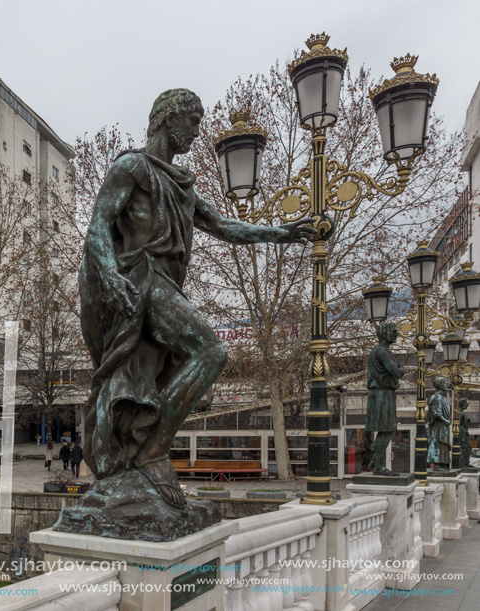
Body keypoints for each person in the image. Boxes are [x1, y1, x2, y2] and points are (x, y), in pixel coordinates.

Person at [77, 89, 315, 509]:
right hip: (139, 282)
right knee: (210, 350)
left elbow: (223, 226)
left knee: (203, 356)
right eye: (193, 121)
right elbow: (96, 228)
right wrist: (112, 279)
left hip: (164, 285)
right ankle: (153, 451)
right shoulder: (131, 168)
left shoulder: (180, 183)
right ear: (169, 119)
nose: (196, 131)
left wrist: (284, 233)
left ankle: (147, 450)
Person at [365, 321, 405, 476]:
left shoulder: (379, 351)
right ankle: (378, 466)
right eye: (394, 331)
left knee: (385, 430)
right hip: (382, 394)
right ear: (386, 333)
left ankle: (375, 462)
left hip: (382, 394)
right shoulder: (382, 352)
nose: (396, 334)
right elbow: (396, 372)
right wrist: (402, 368)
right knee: (386, 430)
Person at [427, 377, 452, 469]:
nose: (447, 385)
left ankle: (441, 463)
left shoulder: (441, 397)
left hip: (441, 426)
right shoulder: (437, 397)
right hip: (438, 427)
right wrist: (446, 421)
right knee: (438, 443)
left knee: (442, 445)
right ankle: (437, 465)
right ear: (441, 385)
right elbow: (437, 413)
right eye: (445, 383)